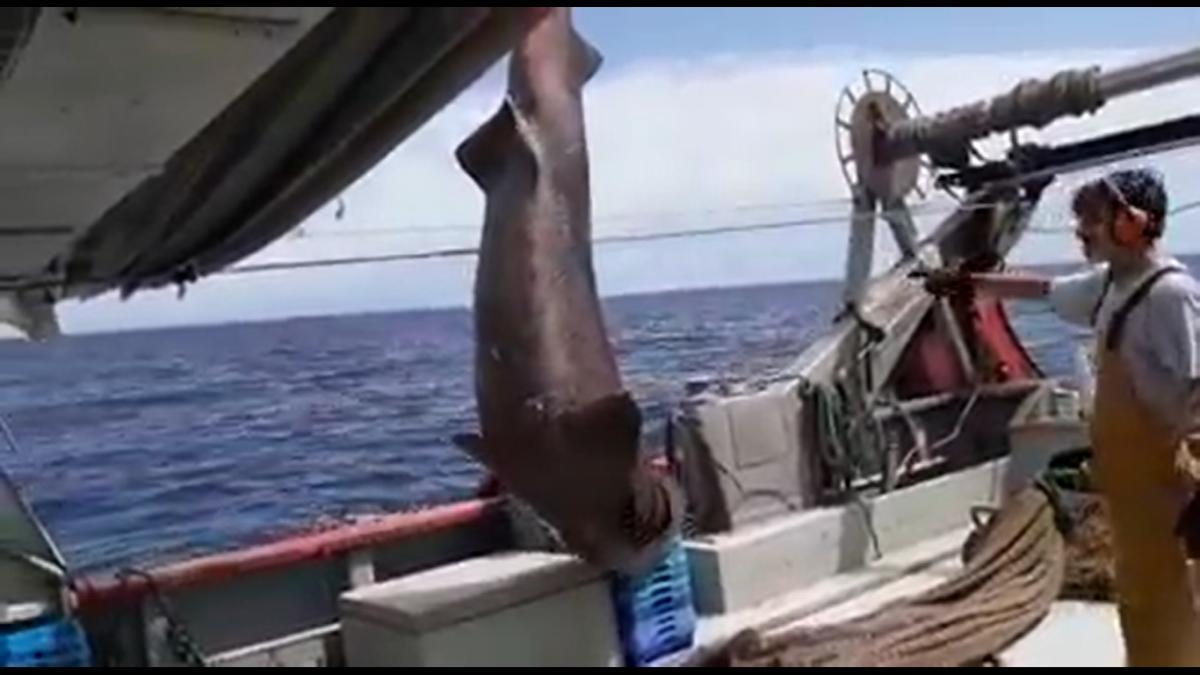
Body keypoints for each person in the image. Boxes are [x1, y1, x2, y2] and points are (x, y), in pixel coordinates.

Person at [924, 167, 1200, 665]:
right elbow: (1042, 290)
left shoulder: (1170, 295)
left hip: (1164, 487)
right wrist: (968, 282)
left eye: (1092, 220)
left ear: (1133, 223)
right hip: (1129, 485)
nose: (1080, 231)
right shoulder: (1110, 285)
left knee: (1169, 602)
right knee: (1138, 601)